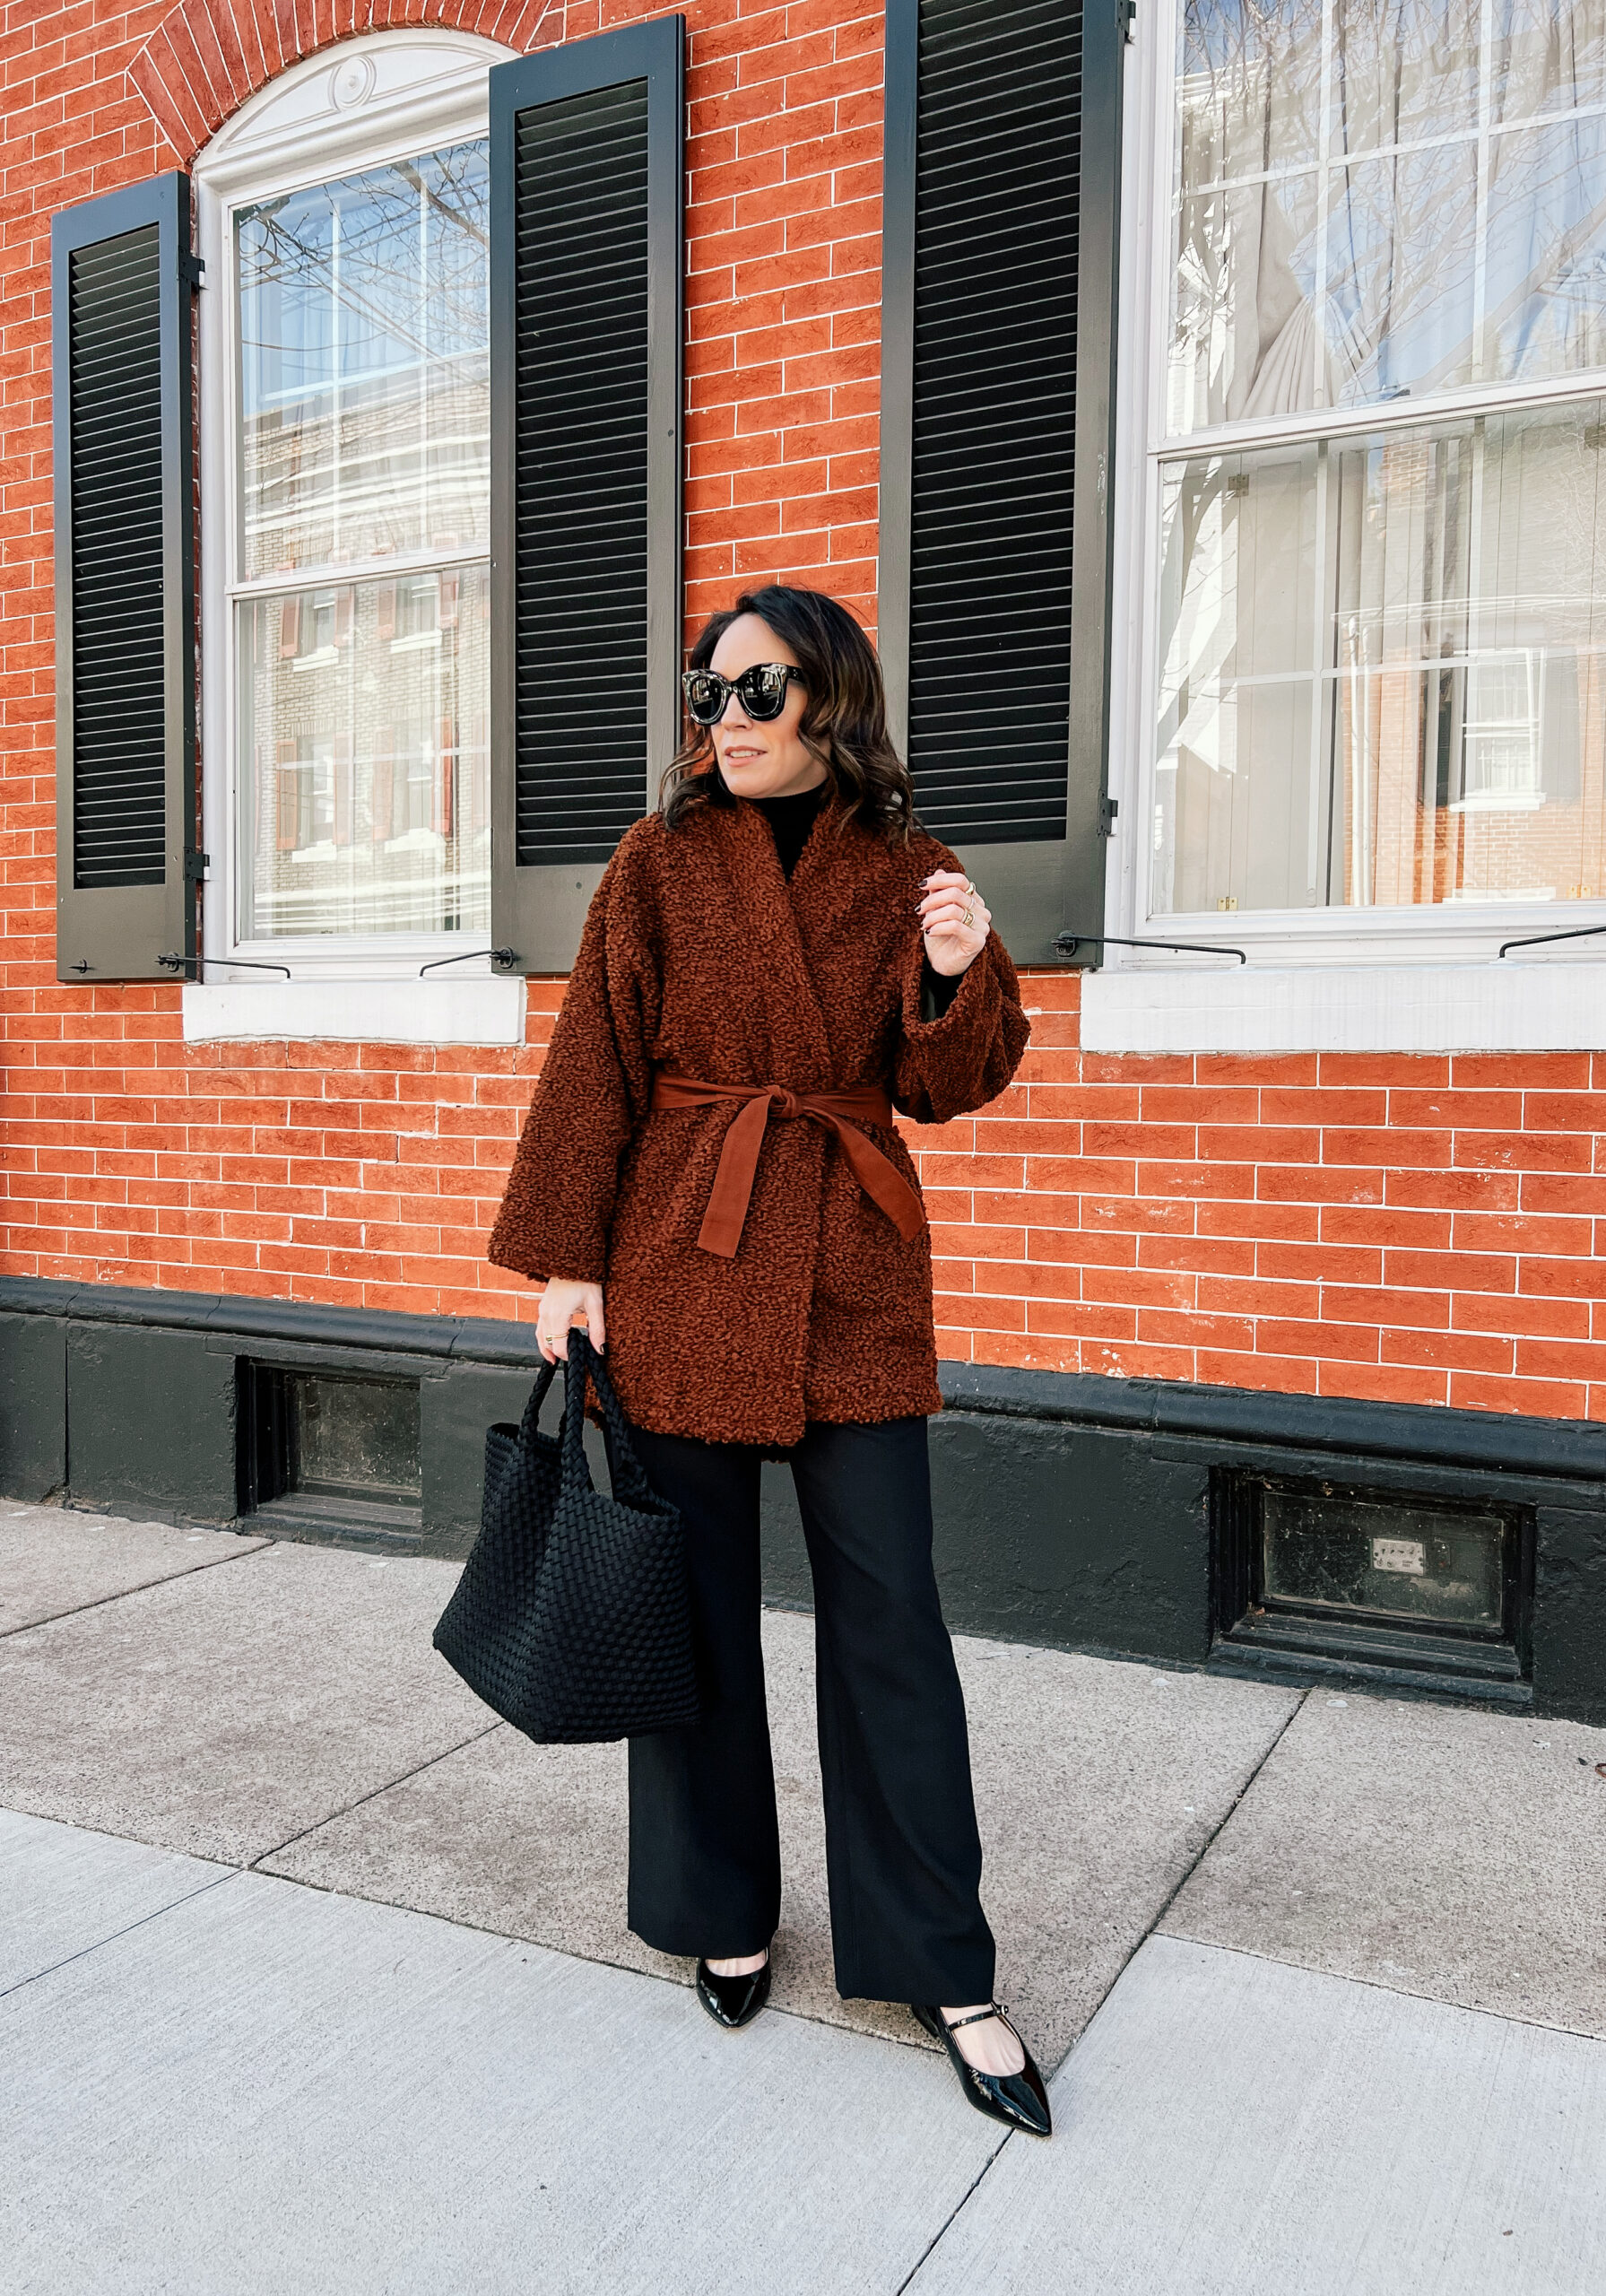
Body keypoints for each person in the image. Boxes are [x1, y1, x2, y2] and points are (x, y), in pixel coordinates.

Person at [486, 583, 1050, 2138]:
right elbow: (591, 1056)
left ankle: (942, 1962)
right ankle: (720, 1908)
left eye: (755, 690)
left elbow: (948, 1087)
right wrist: (567, 1261)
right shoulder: (658, 861)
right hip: (680, 1257)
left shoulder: (913, 868)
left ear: (830, 701)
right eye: (707, 690)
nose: (722, 718)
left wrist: (955, 972)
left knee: (892, 1626)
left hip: (852, 1272)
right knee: (697, 1621)